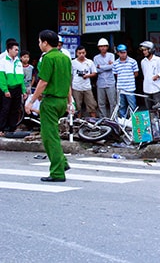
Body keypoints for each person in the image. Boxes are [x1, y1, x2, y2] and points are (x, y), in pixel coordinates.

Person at [25, 30, 72, 182]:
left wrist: (32, 101)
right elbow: (68, 82)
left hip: (50, 101)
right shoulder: (65, 58)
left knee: (49, 137)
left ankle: (57, 172)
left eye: (39, 42)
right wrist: (70, 101)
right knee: (53, 135)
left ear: (45, 42)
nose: (39, 45)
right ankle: (62, 162)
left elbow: (43, 82)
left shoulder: (48, 58)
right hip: (62, 100)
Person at [0, 40, 27, 136]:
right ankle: (1, 129)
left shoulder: (18, 62)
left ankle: (12, 128)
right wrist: (5, 90)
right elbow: (2, 77)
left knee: (15, 109)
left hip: (17, 88)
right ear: (9, 49)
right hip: (8, 88)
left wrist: (23, 91)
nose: (17, 52)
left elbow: (21, 77)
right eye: (15, 50)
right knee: (5, 109)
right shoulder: (3, 61)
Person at [113, 44, 139, 117]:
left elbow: (136, 74)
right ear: (118, 53)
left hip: (130, 88)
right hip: (120, 88)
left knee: (133, 106)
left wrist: (128, 78)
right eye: (121, 53)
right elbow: (116, 74)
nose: (123, 54)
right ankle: (123, 123)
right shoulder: (115, 63)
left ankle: (134, 123)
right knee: (122, 106)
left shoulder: (132, 61)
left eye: (124, 52)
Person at [71, 45, 98, 117]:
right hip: (76, 87)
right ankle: (77, 123)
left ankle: (93, 123)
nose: (81, 55)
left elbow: (94, 73)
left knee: (92, 106)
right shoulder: (72, 63)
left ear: (85, 53)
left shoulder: (89, 62)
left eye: (83, 53)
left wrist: (87, 76)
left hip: (87, 87)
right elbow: (70, 75)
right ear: (76, 53)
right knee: (77, 107)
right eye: (79, 53)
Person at [93, 38, 116, 117]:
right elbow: (96, 70)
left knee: (112, 102)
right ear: (98, 47)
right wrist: (107, 66)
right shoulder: (96, 58)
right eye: (101, 46)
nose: (103, 48)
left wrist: (101, 66)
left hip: (110, 82)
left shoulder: (111, 55)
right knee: (101, 103)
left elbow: (112, 67)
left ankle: (113, 118)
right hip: (100, 83)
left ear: (107, 47)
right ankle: (103, 119)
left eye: (104, 46)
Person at [140, 41, 160, 109]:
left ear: (150, 50)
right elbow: (144, 74)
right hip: (146, 88)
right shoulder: (143, 62)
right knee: (149, 109)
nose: (144, 52)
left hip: (156, 88)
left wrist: (158, 76)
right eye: (143, 50)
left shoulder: (158, 60)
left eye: (145, 50)